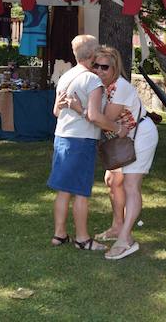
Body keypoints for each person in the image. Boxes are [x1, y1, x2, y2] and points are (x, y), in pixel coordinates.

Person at [48, 35, 124, 251]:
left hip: (62, 137)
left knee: (63, 190)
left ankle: (59, 235)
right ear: (92, 55)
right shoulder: (92, 80)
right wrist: (118, 128)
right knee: (81, 192)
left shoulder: (66, 76)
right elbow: (95, 116)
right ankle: (82, 238)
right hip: (81, 140)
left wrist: (73, 108)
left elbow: (56, 111)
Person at [85, 46, 158, 260]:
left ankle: (126, 239)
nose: (99, 70)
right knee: (112, 180)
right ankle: (117, 226)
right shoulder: (101, 86)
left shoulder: (121, 87)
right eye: (95, 65)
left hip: (141, 135)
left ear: (115, 68)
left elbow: (103, 118)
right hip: (123, 138)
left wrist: (80, 108)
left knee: (130, 185)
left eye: (104, 67)